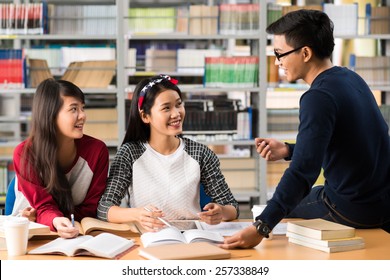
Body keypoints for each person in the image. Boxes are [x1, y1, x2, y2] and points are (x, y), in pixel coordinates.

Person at [221, 9, 390, 249]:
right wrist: (290, 150)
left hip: (353, 211)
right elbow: (351, 141)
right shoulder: (351, 79)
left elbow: (303, 172)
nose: (277, 62)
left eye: (279, 54)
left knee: (268, 209)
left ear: (306, 53)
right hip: (383, 205)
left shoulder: (317, 97)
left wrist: (261, 227)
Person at [97, 74, 239, 231]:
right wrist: (137, 214)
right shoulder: (130, 153)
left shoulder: (201, 153)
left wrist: (221, 212)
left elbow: (232, 206)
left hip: (191, 239)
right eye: (166, 108)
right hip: (147, 240)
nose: (176, 113)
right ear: (145, 116)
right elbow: (104, 208)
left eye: (179, 104)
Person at [12, 78, 109, 239]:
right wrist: (52, 219)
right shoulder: (25, 154)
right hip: (28, 236)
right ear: (51, 115)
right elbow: (43, 206)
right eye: (73, 109)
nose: (82, 116)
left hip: (76, 236)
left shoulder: (97, 151)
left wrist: (46, 217)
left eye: (82, 108)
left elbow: (92, 208)